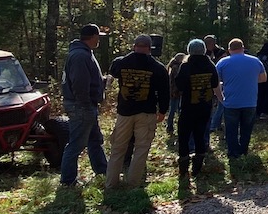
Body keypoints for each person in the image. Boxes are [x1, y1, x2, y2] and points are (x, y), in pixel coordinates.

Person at [104, 34, 169, 190]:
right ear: (150, 49)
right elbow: (164, 92)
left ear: (134, 46)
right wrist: (163, 111)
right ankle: (132, 184)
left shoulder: (120, 63)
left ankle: (111, 184)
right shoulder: (158, 67)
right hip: (146, 113)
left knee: (118, 148)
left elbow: (111, 74)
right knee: (141, 148)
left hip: (124, 112)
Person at [60, 23, 108, 188]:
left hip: (85, 105)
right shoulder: (81, 55)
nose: (99, 40)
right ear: (93, 37)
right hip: (81, 106)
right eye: (98, 37)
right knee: (76, 143)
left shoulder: (84, 53)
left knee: (95, 139)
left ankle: (102, 171)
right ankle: (67, 180)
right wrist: (86, 104)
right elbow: (79, 83)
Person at [173, 38, 220, 185]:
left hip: (188, 107)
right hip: (205, 107)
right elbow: (214, 83)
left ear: (189, 50)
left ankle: (183, 170)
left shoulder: (185, 66)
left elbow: (179, 85)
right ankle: (197, 168)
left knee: (184, 136)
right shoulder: (210, 65)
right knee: (200, 135)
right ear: (204, 50)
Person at [215, 38, 266, 160]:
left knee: (231, 130)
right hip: (250, 101)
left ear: (229, 50)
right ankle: (243, 151)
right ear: (243, 48)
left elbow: (215, 83)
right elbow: (263, 78)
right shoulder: (255, 61)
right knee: (246, 129)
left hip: (231, 102)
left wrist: (220, 97)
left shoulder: (222, 63)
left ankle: (233, 153)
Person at [205, 35, 227, 134]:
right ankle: (213, 124)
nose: (210, 45)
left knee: (220, 103)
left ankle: (216, 124)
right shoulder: (203, 53)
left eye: (211, 43)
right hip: (206, 81)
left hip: (219, 80)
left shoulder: (221, 52)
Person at [165, 51, 184, 139]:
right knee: (176, 110)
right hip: (177, 92)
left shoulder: (172, 67)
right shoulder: (177, 68)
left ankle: (170, 126)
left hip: (172, 91)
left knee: (172, 110)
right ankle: (171, 126)